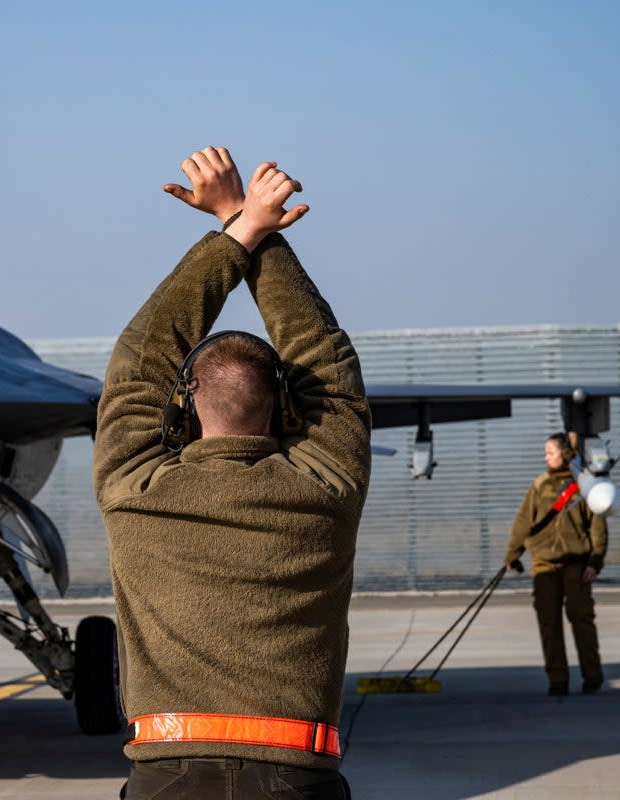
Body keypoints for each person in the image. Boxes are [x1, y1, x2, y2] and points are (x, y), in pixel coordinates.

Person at [93, 147, 371, 799]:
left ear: (183, 407)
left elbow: (141, 359)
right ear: (283, 410)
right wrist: (248, 222)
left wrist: (239, 228)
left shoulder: (134, 489)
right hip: (296, 778)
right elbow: (329, 371)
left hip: (167, 776)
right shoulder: (324, 488)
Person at [504, 432, 607, 697]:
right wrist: (511, 556)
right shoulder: (539, 485)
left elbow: (597, 526)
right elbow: (523, 522)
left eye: (550, 452)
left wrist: (595, 562)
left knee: (582, 620)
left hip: (577, 564)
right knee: (549, 623)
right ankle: (557, 679)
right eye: (545, 453)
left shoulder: (585, 486)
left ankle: (592, 675)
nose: (545, 457)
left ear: (565, 453)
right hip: (544, 564)